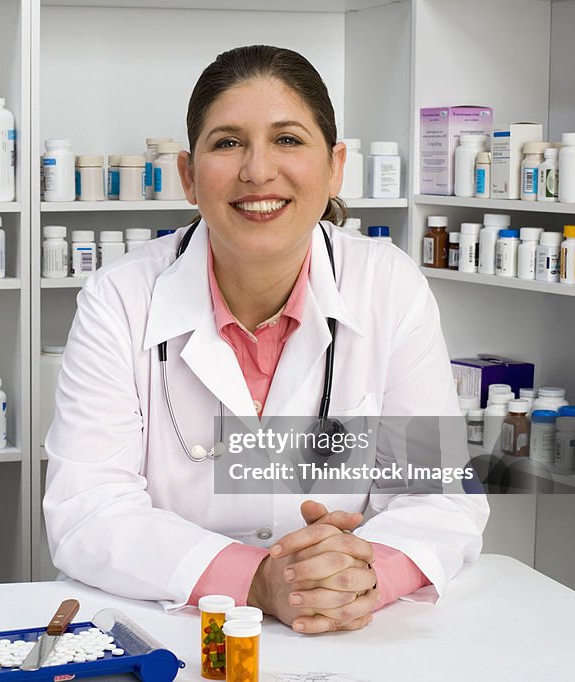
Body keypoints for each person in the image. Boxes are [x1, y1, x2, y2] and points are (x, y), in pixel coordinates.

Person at [43, 45, 488, 634]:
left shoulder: (388, 286)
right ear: (187, 176)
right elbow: (87, 510)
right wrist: (257, 581)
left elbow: (440, 496)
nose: (257, 170)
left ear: (335, 167)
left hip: (348, 631)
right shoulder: (119, 299)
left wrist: (362, 575)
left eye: (288, 139)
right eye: (227, 143)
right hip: (165, 627)